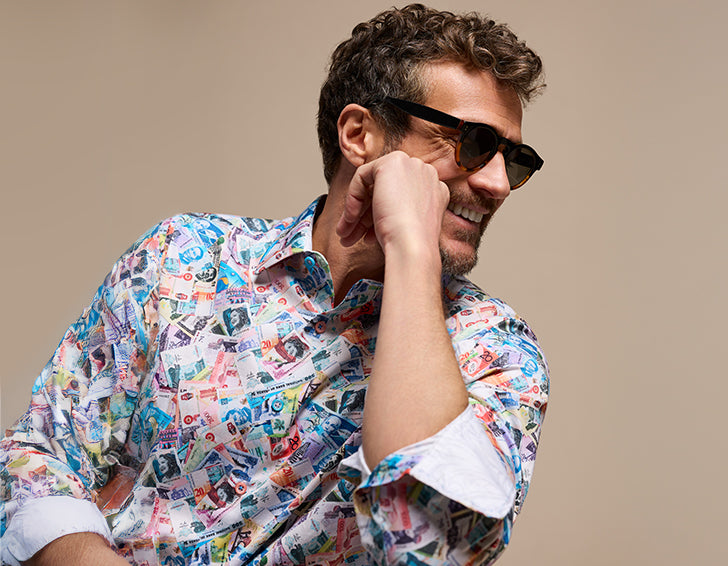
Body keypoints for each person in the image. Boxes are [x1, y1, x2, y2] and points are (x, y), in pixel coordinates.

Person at [0, 5, 550, 565]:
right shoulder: (182, 258)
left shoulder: (498, 352)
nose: (499, 184)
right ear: (359, 134)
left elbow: (433, 547)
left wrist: (411, 251)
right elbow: (39, 457)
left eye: (516, 160)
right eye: (475, 143)